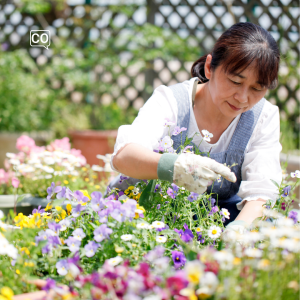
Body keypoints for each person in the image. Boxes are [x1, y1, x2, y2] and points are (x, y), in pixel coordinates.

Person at [108, 22, 282, 232]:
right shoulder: (171, 101)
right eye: (236, 81)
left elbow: (261, 193)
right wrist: (174, 166)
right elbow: (123, 156)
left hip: (207, 219)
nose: (243, 98)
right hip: (144, 208)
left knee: (266, 225)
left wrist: (240, 230)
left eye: (257, 88)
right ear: (209, 67)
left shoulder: (262, 117)